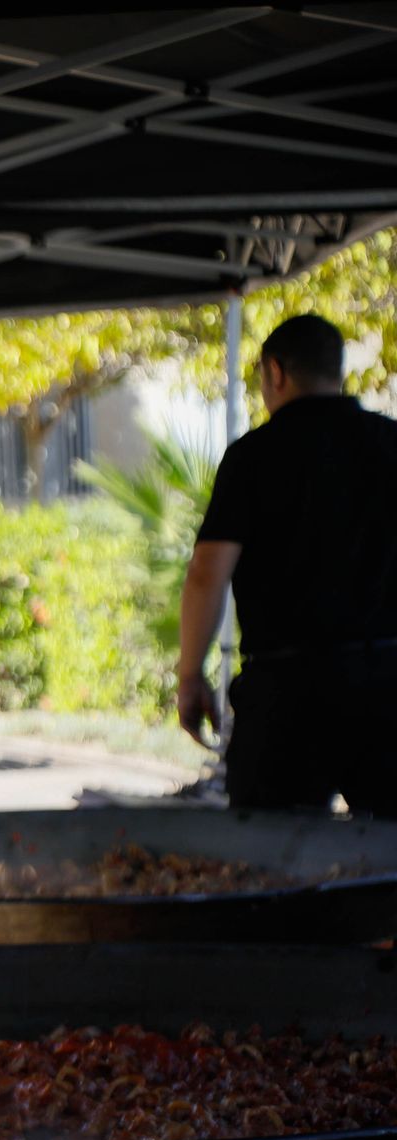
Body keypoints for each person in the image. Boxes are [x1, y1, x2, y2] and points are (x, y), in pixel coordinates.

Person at [177, 313, 397, 817]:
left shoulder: (254, 457)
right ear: (336, 370)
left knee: (270, 862)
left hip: (288, 692)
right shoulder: (392, 443)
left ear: (275, 372)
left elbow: (207, 572)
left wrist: (191, 675)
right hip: (387, 681)